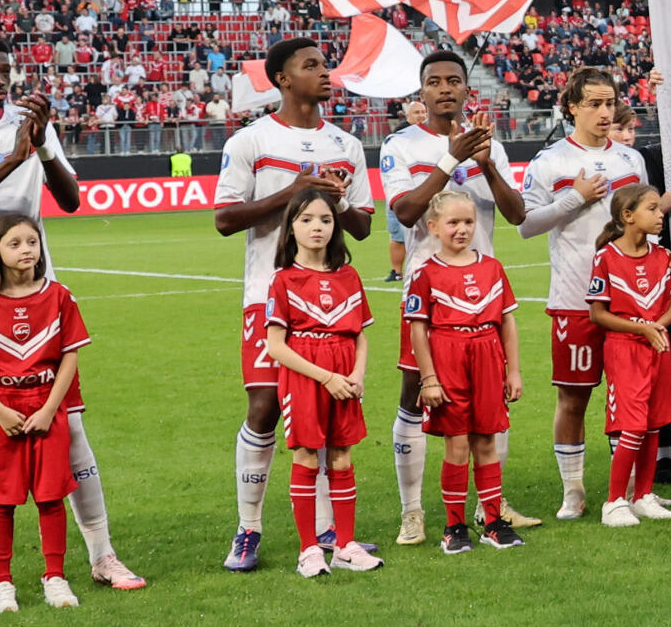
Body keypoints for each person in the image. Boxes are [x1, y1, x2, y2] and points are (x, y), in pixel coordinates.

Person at [0, 33, 141, 607]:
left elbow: (70, 199)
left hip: (41, 298)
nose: (0, 80)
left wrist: (38, 149)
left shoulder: (29, 123)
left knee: (72, 431)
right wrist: (11, 157)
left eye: (5, 70)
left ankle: (102, 555)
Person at [214, 36, 374, 573]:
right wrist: (295, 191)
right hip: (269, 295)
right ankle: (248, 527)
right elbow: (225, 219)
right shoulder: (251, 140)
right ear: (282, 78)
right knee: (263, 410)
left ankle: (328, 529)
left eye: (325, 65)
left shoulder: (346, 144)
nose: (325, 73)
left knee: (330, 414)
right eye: (311, 66)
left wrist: (339, 198)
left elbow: (364, 228)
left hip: (331, 299)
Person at [383, 57, 526, 540]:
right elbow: (404, 212)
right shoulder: (400, 145)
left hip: (483, 295)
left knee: (491, 403)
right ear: (421, 93)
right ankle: (412, 510)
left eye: (453, 81)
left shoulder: (491, 146)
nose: (444, 89)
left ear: (467, 90)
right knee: (414, 395)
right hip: (427, 290)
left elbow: (516, 213)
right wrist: (450, 159)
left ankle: (493, 506)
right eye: (433, 82)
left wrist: (483, 162)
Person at [517, 67, 658, 518]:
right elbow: (525, 224)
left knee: (632, 395)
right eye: (594, 103)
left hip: (628, 303)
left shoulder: (629, 161)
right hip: (574, 298)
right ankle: (573, 491)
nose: (604, 111)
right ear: (572, 106)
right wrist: (573, 198)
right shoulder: (550, 161)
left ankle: (633, 489)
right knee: (574, 396)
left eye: (610, 102)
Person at [0, 214, 89, 614]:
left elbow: (70, 356)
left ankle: (55, 576)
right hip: (0, 414)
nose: (27, 249)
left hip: (45, 408)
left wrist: (50, 409)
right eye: (14, 243)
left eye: (32, 241)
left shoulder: (59, 295)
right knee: (1, 500)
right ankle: (1, 581)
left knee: (51, 497)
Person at [262, 183, 381, 576]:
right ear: (291, 227)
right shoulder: (283, 281)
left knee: (343, 455)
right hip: (306, 377)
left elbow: (360, 333)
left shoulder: (349, 275)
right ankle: (309, 549)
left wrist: (356, 374)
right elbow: (276, 346)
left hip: (345, 375)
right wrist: (326, 377)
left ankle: (345, 545)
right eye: (307, 219)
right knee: (307, 456)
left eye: (326, 220)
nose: (318, 227)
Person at [407, 188, 524, 553]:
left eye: (469, 221)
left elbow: (507, 322)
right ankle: (454, 526)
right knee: (457, 444)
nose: (462, 229)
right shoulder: (425, 273)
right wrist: (428, 378)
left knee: (486, 440)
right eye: (453, 222)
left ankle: (492, 521)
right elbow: (418, 330)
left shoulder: (492, 267)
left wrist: (513, 371)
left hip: (487, 356)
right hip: (448, 357)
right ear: (433, 227)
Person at [585, 183, 671, 528]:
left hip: (656, 346)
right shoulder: (606, 258)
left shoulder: (661, 256)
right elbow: (598, 313)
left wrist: (657, 326)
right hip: (625, 350)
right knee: (632, 425)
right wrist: (642, 329)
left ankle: (643, 495)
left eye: (659, 209)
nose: (660, 215)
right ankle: (613, 502)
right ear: (628, 216)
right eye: (652, 209)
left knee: (655, 421)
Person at [382, 95, 428, 281]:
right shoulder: (399, 135)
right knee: (397, 235)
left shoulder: (430, 132)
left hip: (422, 191)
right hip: (401, 191)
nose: (421, 116)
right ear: (407, 115)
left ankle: (419, 269)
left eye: (423, 112)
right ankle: (397, 271)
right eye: (416, 112)